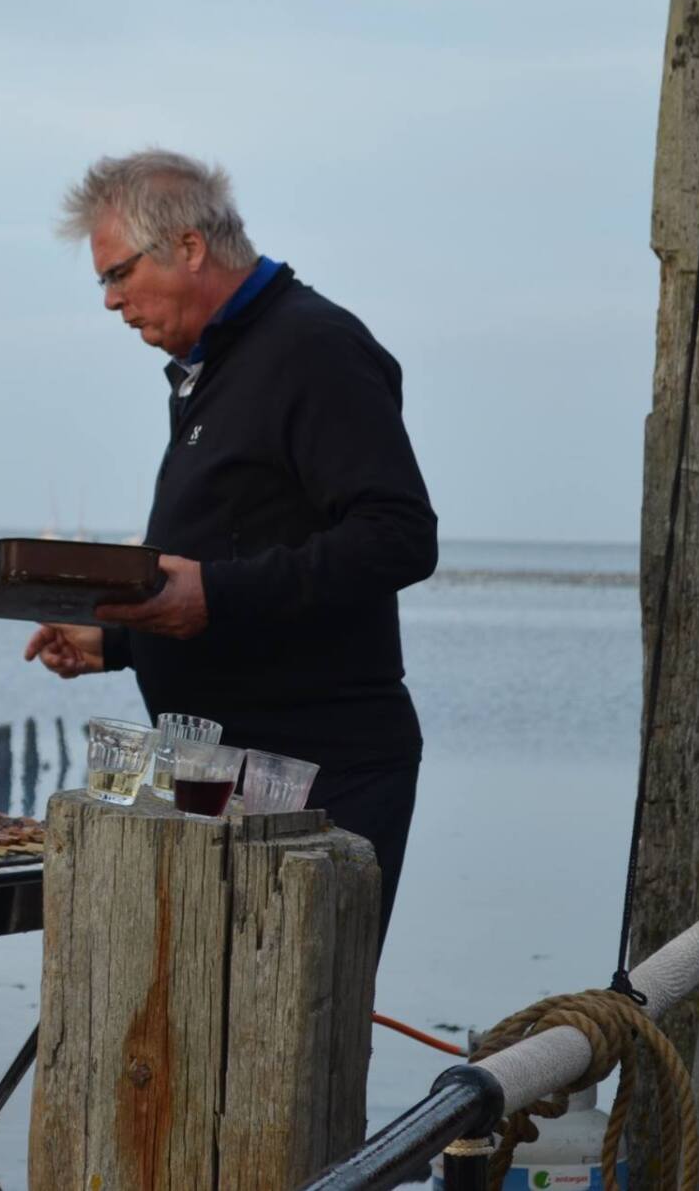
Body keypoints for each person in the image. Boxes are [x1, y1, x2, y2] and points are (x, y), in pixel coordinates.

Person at [26, 150, 437, 947]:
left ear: (187, 247)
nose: (111, 301)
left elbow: (398, 536)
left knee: (287, 1045)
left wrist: (211, 593)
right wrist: (117, 635)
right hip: (223, 778)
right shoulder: (216, 366)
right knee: (199, 1041)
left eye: (117, 274)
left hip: (319, 785)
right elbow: (243, 537)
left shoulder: (313, 347)